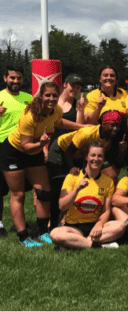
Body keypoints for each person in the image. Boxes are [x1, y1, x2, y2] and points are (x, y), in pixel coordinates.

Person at [1, 82, 87, 247]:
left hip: (35, 150)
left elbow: (59, 122)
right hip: (14, 152)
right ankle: (23, 237)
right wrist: (41, 145)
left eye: (54, 95)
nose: (51, 99)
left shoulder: (56, 110)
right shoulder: (29, 116)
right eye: (47, 95)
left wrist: (81, 127)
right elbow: (26, 146)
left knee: (44, 192)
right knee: (18, 195)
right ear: (41, 96)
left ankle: (42, 232)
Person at [50, 142, 125, 249]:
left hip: (95, 226)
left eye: (100, 156)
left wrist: (99, 224)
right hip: (73, 227)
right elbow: (62, 206)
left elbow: (106, 210)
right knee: (55, 234)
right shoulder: (72, 177)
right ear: (86, 157)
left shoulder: (108, 181)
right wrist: (77, 189)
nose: (96, 159)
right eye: (93, 155)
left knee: (120, 226)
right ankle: (95, 245)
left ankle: (76, 243)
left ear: (103, 159)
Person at [45, 73, 85, 231]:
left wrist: (80, 111)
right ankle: (51, 221)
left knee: (71, 186)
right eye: (73, 85)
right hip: (54, 151)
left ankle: (65, 219)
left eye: (78, 87)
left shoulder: (77, 104)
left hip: (71, 152)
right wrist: (43, 149)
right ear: (64, 85)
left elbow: (79, 129)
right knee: (54, 188)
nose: (75, 89)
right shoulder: (52, 103)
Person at [47, 109, 128, 187]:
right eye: (112, 125)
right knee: (61, 182)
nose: (115, 129)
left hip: (79, 155)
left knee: (110, 176)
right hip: (61, 149)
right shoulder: (87, 133)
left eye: (118, 126)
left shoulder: (111, 139)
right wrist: (72, 167)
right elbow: (68, 152)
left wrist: (122, 151)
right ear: (103, 124)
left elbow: (117, 165)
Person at [0, 65, 33, 238]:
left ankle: (18, 223)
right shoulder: (0, 97)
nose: (15, 81)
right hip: (2, 147)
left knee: (19, 190)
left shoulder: (29, 98)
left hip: (23, 148)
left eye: (18, 78)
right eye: (12, 77)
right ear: (5, 78)